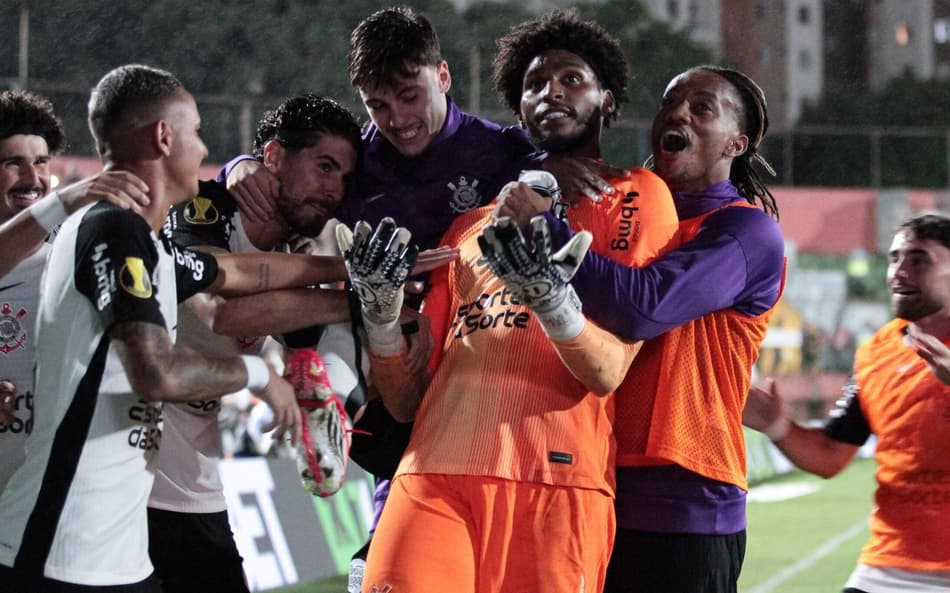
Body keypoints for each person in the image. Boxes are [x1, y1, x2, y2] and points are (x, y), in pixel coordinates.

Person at [0, 63, 365, 593]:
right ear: (164, 136)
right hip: (57, 550)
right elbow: (154, 371)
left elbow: (246, 272)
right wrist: (260, 375)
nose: (204, 147)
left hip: (118, 556)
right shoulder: (113, 229)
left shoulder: (150, 248)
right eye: (196, 131)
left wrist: (353, 274)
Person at [355, 10, 679, 592]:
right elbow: (407, 404)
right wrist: (380, 319)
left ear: (607, 101)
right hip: (432, 476)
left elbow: (608, 371)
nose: (550, 91)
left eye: (571, 79)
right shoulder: (467, 226)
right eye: (534, 84)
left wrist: (551, 299)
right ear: (519, 107)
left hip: (557, 483)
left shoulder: (635, 195)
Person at [503, 62, 786, 592]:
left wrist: (543, 226)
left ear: (736, 143)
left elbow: (644, 307)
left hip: (685, 503)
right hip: (590, 484)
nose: (676, 113)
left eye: (702, 108)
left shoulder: (746, 231)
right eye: (669, 103)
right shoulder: (620, 205)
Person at [147, 94, 362, 593]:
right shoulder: (200, 206)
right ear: (273, 158)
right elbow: (219, 308)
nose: (334, 191)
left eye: (345, 179)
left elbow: (321, 336)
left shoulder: (295, 262)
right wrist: (350, 294)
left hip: (197, 495)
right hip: (124, 486)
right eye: (324, 167)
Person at [745, 213, 950, 593]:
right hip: (889, 569)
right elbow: (830, 454)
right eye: (894, 259)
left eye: (919, 259)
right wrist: (777, 425)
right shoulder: (877, 351)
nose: (898, 273)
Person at [0, 90, 151, 491]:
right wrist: (69, 198)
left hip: (46, 509)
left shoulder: (75, 256)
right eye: (14, 163)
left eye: (40, 163)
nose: (32, 178)